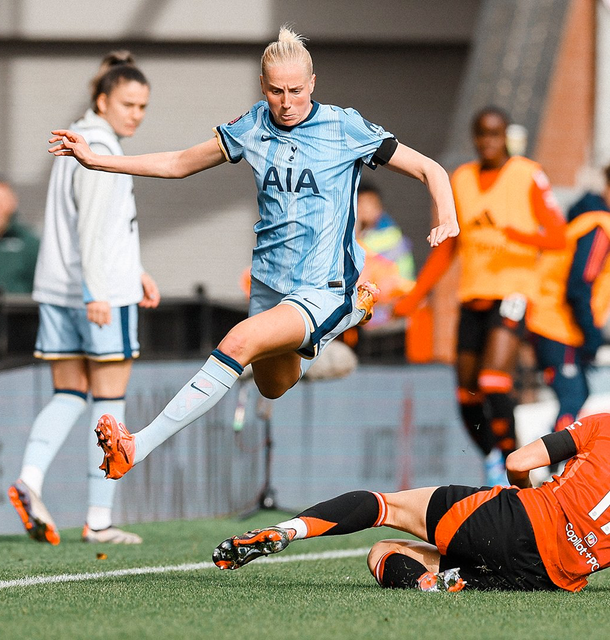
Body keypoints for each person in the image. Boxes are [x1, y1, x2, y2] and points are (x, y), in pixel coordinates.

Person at [47, 28, 458, 482]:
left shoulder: (345, 127)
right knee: (274, 385)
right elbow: (179, 163)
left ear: (313, 84)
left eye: (296, 91)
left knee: (237, 342)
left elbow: (429, 168)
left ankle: (136, 447)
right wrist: (97, 160)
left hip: (322, 286)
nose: (287, 102)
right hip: (269, 286)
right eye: (277, 91)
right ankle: (340, 323)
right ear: (263, 87)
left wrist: (447, 214)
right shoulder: (253, 125)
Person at [213, 369, 610, 594]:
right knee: (392, 554)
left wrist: (539, 497)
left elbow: (519, 462)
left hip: (521, 521)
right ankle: (434, 584)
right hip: (548, 578)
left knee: (386, 513)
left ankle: (290, 531)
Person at [8, 51, 161, 545]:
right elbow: (93, 227)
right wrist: (100, 288)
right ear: (103, 100)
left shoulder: (81, 136)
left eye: (142, 105)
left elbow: (92, 226)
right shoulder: (99, 147)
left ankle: (30, 479)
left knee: (69, 393)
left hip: (58, 289)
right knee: (109, 400)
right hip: (98, 295)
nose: (136, 113)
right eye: (128, 103)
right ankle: (99, 519)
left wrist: (136, 270)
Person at [393, 106, 565, 486]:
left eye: (495, 134)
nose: (489, 142)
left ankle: (517, 465)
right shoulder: (462, 179)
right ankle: (491, 457)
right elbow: (447, 246)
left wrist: (523, 236)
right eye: (482, 134)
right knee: (467, 393)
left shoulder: (528, 174)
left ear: (506, 136)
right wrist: (415, 296)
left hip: (514, 293)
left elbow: (558, 235)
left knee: (493, 380)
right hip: (473, 297)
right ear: (474, 137)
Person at [526, 161, 610, 443]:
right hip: (556, 324)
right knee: (572, 395)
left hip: (556, 322)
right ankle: (550, 468)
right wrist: (591, 334)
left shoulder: (590, 220)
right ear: (607, 191)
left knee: (577, 394)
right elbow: (579, 284)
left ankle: (551, 464)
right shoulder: (602, 225)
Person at [355, 181, 415, 327]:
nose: (367, 209)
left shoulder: (391, 238)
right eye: (361, 203)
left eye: (371, 203)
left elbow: (402, 280)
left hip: (388, 312)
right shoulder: (356, 235)